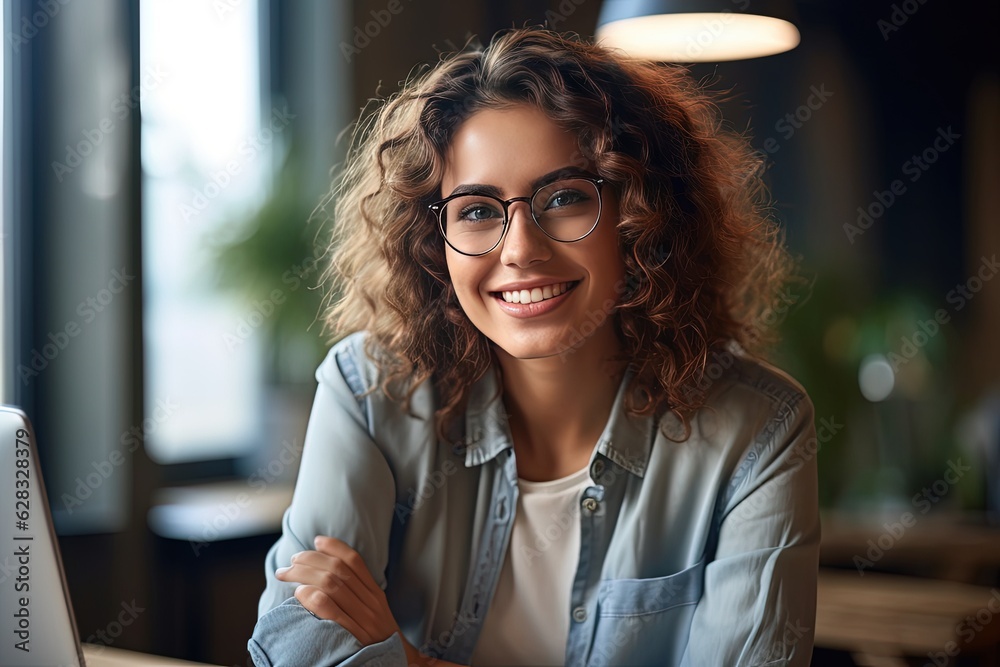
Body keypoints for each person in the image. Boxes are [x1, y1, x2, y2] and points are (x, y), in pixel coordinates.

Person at [248, 26, 819, 667]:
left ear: (640, 217)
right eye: (476, 210)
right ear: (432, 244)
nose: (520, 249)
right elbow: (298, 644)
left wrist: (406, 660)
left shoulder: (758, 430)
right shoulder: (369, 391)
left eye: (566, 198)